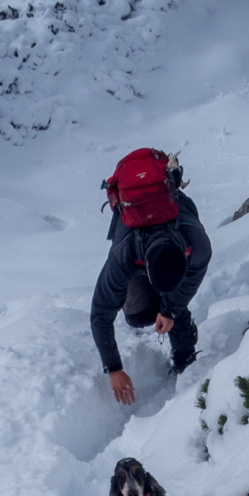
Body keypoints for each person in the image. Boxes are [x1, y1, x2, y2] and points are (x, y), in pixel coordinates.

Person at [91, 158, 212, 406]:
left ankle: (184, 350)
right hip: (136, 248)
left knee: (173, 308)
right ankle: (169, 311)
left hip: (170, 244)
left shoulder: (197, 245)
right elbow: (101, 312)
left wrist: (170, 309)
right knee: (137, 315)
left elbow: (189, 282)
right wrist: (113, 368)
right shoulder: (123, 256)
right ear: (143, 267)